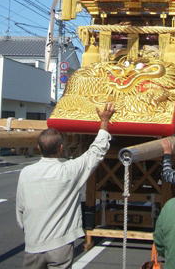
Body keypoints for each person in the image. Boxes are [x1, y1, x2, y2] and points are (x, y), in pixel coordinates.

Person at [16, 102, 115, 269]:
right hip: (59, 243)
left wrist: (31, 231)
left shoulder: (26, 172)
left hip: (33, 244)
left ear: (38, 148)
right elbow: (96, 152)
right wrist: (104, 122)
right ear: (61, 148)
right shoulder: (68, 170)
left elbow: (21, 208)